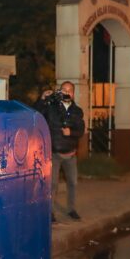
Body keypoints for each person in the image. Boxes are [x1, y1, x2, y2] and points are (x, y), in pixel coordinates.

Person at [41, 81, 85, 222]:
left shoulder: (77, 111)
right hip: (54, 153)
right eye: (64, 90)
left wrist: (71, 132)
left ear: (73, 93)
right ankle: (50, 212)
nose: (67, 92)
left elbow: (81, 131)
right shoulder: (51, 108)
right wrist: (42, 99)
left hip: (71, 154)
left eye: (70, 90)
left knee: (72, 183)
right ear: (60, 92)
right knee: (53, 184)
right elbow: (37, 112)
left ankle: (71, 209)